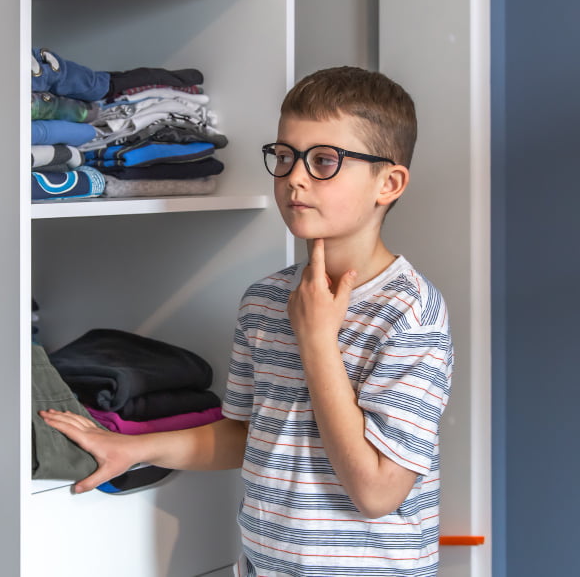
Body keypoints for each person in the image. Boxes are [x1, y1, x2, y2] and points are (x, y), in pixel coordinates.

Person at [40, 66, 454, 577]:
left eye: (324, 160)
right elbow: (247, 435)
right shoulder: (264, 301)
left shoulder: (411, 313)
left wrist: (318, 340)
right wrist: (131, 447)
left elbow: (377, 492)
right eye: (284, 156)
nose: (295, 177)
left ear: (388, 183)